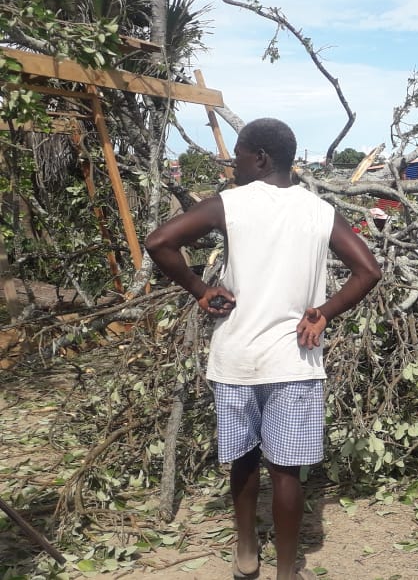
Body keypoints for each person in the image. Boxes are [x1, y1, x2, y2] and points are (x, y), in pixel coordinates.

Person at [145, 118, 382, 580]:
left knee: (245, 459)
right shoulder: (319, 211)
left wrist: (199, 288)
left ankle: (246, 549)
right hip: (294, 359)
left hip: (236, 359)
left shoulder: (226, 206)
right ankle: (287, 571)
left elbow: (159, 242)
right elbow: (368, 271)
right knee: (287, 471)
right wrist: (325, 312)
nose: (233, 162)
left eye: (238, 153)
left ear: (260, 158)